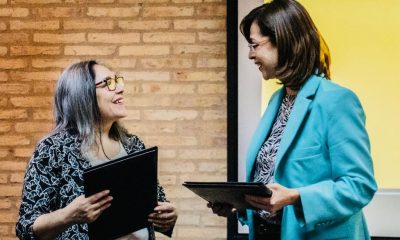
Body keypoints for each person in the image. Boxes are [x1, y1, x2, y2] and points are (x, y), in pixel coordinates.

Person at [208, 0, 377, 239]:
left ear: (284, 41)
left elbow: (359, 186)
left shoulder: (337, 101)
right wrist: (241, 204)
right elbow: (272, 180)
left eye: (255, 45)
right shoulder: (277, 100)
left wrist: (297, 197)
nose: (250, 55)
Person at [16, 60, 178, 240]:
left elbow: (157, 207)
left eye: (117, 81)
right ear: (82, 95)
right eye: (108, 83)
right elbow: (26, 228)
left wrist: (167, 217)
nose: (119, 88)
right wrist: (68, 215)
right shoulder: (53, 149)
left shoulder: (133, 145)